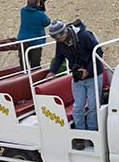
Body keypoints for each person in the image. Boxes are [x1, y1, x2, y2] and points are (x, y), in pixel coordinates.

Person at [47, 20, 104, 150]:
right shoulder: (60, 42)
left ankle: (92, 133)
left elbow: (98, 52)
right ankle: (80, 134)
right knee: (78, 106)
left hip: (93, 75)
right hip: (77, 77)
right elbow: (59, 57)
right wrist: (52, 71)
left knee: (93, 106)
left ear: (65, 31)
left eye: (59, 36)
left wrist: (88, 70)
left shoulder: (84, 36)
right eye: (54, 37)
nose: (58, 39)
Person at [17, 0, 51, 70]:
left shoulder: (22, 11)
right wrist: (42, 7)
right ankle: (35, 78)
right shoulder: (41, 15)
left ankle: (24, 76)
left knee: (23, 61)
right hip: (35, 41)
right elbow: (47, 22)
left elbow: (30, 9)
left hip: (22, 40)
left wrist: (37, 5)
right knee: (35, 63)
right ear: (37, 4)